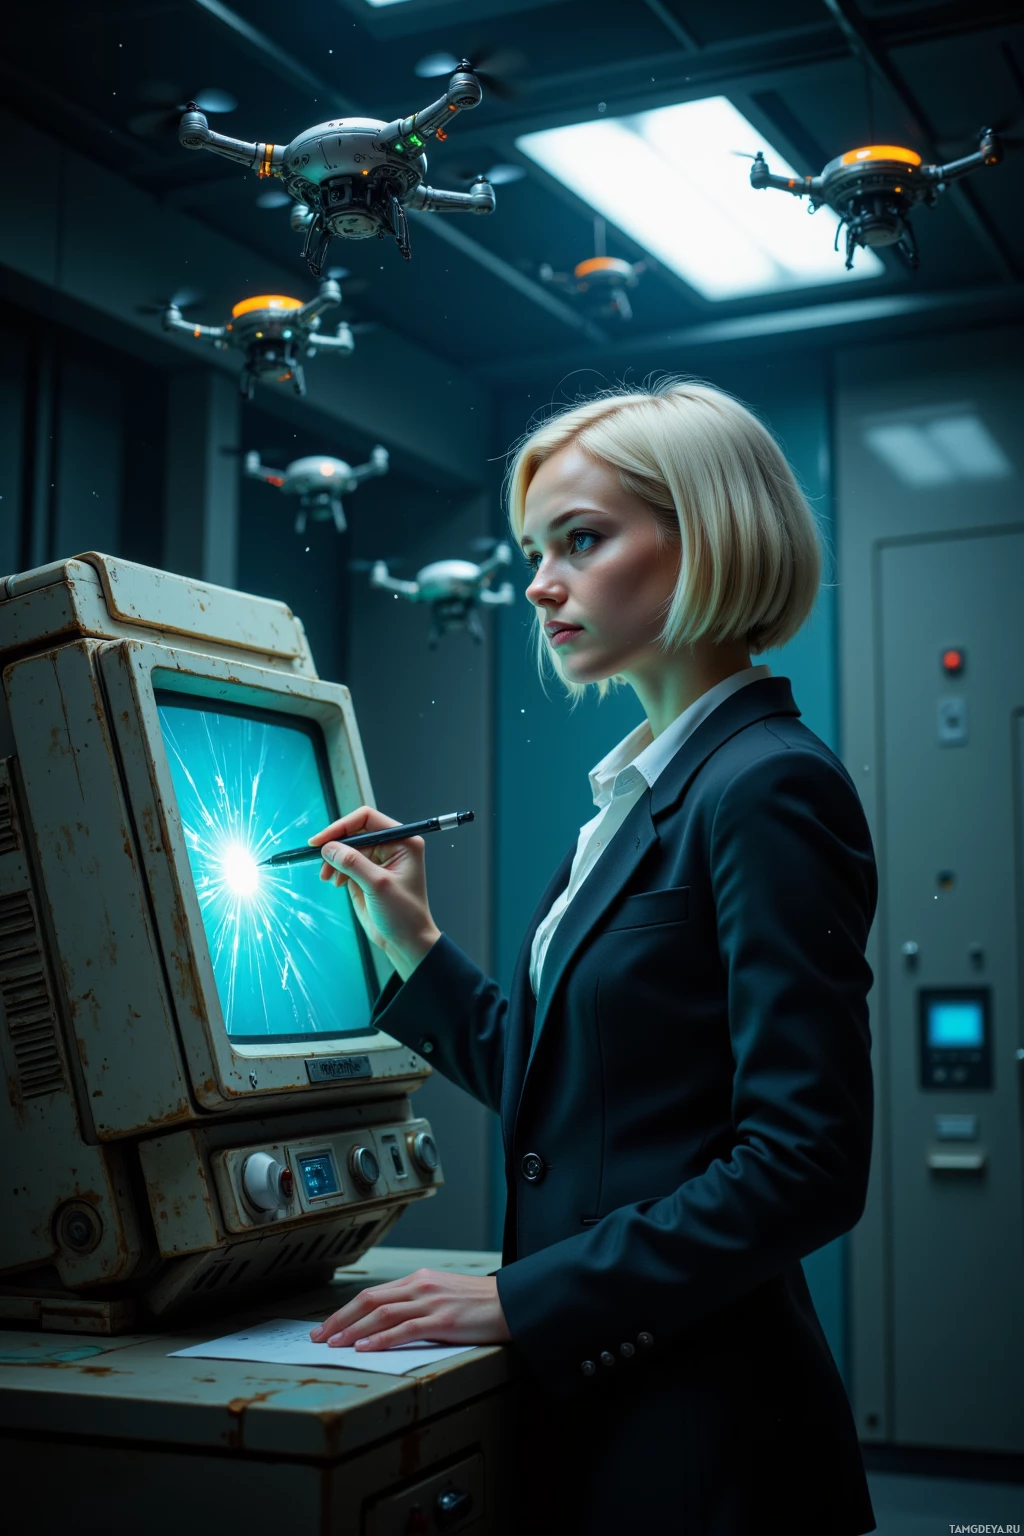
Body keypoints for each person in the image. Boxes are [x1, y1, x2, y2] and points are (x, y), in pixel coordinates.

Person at [308, 379, 878, 1536]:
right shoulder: (638, 795)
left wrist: (526, 1298)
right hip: (609, 1409)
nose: (538, 584)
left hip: (706, 1437)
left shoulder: (765, 783)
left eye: (581, 539)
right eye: (534, 548)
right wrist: (409, 937)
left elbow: (805, 1162)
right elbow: (572, 1086)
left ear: (708, 536)